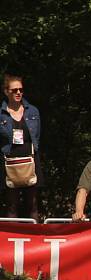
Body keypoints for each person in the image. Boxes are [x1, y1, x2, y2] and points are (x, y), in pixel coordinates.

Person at [1, 74, 43, 220]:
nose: (18, 93)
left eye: (21, 90)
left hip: (30, 158)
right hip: (9, 160)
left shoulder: (33, 111)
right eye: (14, 90)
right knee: (12, 204)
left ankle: (36, 238)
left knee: (32, 203)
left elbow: (37, 135)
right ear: (6, 92)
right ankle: (11, 239)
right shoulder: (1, 114)